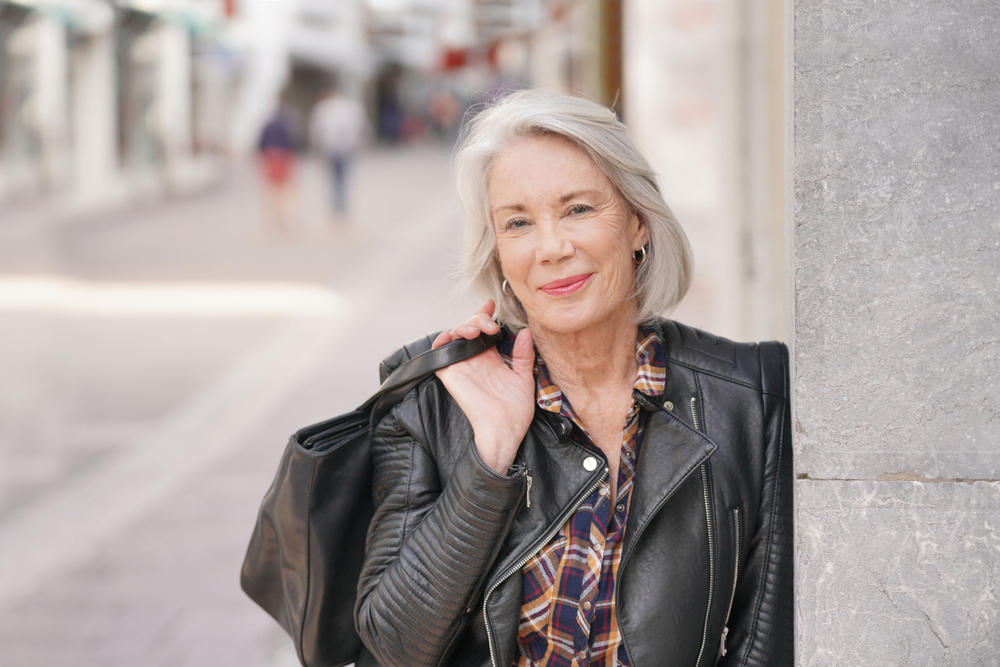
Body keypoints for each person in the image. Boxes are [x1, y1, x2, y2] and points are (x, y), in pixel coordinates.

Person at [353, 90, 793, 667]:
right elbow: (393, 648)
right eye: (518, 223)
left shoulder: (750, 396)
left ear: (637, 223)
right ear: (499, 254)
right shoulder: (433, 398)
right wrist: (487, 463)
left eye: (578, 210)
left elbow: (767, 640)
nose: (552, 248)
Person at [309, 87, 367, 218]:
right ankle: (342, 205)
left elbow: (316, 130)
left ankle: (336, 205)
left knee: (333, 178)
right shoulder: (351, 107)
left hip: (331, 148)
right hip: (346, 147)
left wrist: (316, 147)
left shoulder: (322, 108)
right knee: (344, 177)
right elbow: (360, 126)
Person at [257, 103, 298, 235]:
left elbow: (261, 143)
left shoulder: (267, 125)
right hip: (282, 157)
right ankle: (280, 216)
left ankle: (270, 219)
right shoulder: (285, 125)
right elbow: (290, 142)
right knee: (282, 190)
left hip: (269, 156)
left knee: (269, 190)